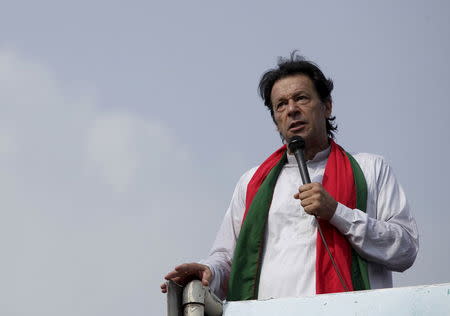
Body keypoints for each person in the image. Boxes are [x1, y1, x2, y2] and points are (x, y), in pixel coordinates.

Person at [161, 53, 419, 301]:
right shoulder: (252, 183)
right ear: (275, 120)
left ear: (327, 106)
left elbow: (405, 249)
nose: (291, 110)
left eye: (301, 98)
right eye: (281, 105)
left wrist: (337, 212)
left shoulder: (371, 169)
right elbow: (228, 258)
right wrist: (208, 272)